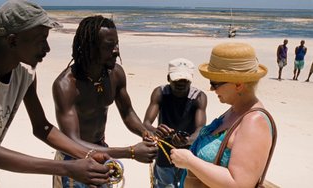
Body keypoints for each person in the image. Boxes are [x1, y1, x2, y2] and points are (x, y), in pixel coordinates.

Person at [0, 1, 111, 187]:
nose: (47, 48)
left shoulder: (25, 74)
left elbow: (42, 128)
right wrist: (67, 168)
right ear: (12, 41)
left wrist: (86, 154)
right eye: (41, 40)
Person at [52, 15, 158, 188]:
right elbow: (72, 141)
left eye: (117, 44)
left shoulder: (115, 74)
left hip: (102, 150)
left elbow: (127, 112)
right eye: (110, 46)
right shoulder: (66, 85)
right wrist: (130, 152)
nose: (116, 50)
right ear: (90, 48)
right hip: (74, 158)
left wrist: (144, 132)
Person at [170, 43, 276, 187]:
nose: (211, 89)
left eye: (215, 83)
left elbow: (239, 184)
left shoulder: (254, 122)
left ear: (238, 84)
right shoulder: (235, 110)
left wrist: (189, 161)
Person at [143, 58, 207, 188]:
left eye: (185, 80)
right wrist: (155, 131)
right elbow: (146, 124)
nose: (181, 83)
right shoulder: (160, 93)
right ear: (168, 78)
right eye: (177, 79)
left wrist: (187, 140)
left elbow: (200, 129)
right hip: (164, 153)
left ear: (191, 79)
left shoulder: (198, 97)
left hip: (189, 154)